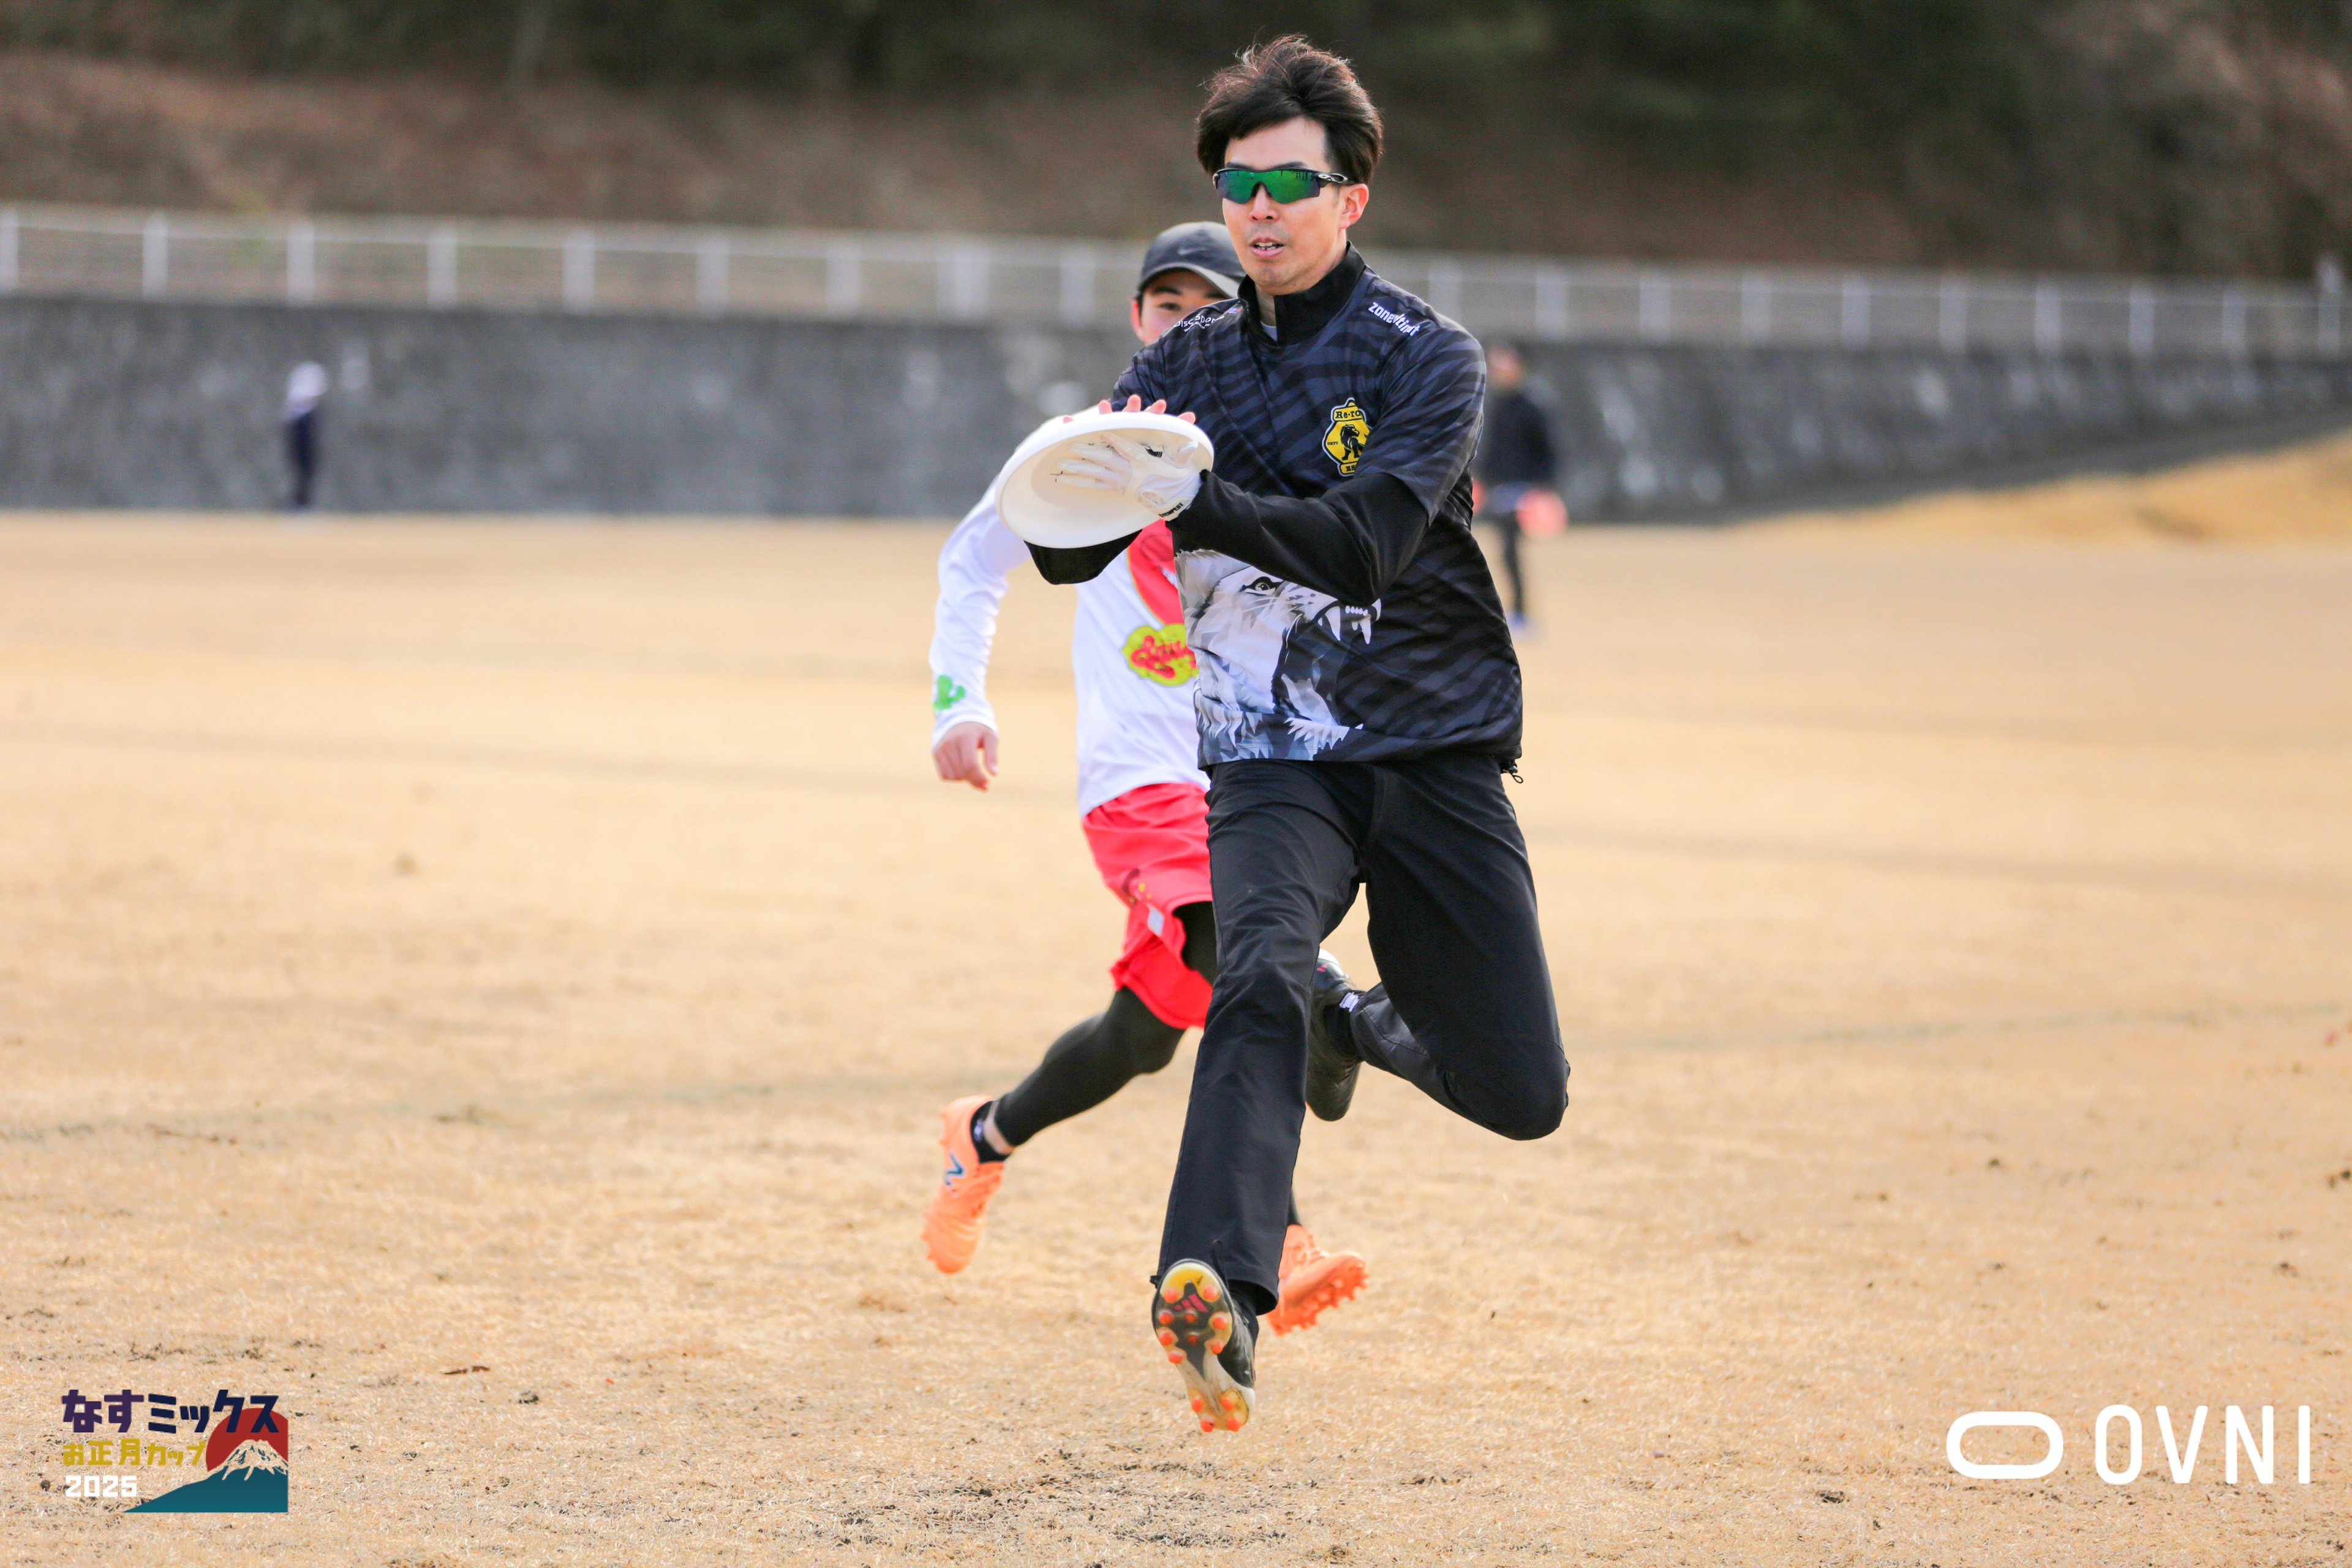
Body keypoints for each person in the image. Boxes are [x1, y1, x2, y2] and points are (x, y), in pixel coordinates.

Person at [1027, 37, 1570, 1434]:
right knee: (1255, 968)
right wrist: (1067, 490)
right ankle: (1217, 1283)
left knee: (1520, 1089)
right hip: (1271, 753)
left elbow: (1365, 545)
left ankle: (1361, 1019)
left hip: (1432, 744)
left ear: (1351, 196)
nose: (1258, 209)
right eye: (1237, 185)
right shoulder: (1184, 364)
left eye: (1287, 183)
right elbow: (1073, 551)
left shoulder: (1425, 357)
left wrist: (1191, 502)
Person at [920, 221, 1370, 1341]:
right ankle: (1279, 1232)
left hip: (1250, 777)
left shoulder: (1277, 452)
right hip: (1140, 786)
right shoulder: (1080, 452)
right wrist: (959, 705)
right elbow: (973, 559)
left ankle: (985, 1134)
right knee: (1249, 954)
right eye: (1165, 304)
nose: (1182, 321)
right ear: (1137, 317)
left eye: (1207, 305)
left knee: (1146, 1032)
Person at [1472, 342, 1558, 633]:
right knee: (1500, 553)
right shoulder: (1493, 406)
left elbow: (1548, 452)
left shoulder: (1533, 407)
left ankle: (1521, 613)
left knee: (1510, 551)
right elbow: (1490, 452)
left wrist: (1540, 488)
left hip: (1522, 492)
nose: (1500, 372)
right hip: (1498, 489)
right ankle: (1510, 611)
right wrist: (1482, 480)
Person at [282, 363, 328, 511]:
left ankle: (302, 503)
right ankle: (299, 504)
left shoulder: (303, 412)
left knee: (306, 473)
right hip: (302, 444)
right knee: (302, 473)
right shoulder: (299, 413)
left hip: (304, 445)